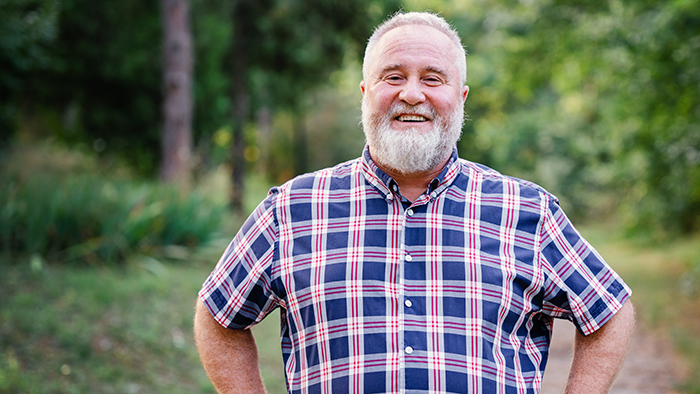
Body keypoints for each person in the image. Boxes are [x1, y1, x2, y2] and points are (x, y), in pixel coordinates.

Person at [194, 11, 635, 394]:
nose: (411, 94)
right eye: (394, 76)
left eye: (432, 78)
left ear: (460, 98)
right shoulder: (291, 209)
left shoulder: (528, 211)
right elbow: (218, 316)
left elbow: (610, 312)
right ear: (366, 93)